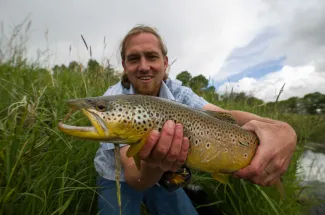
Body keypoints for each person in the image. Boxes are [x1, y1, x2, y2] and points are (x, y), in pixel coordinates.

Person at [94, 25, 297, 215]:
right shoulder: (113, 103)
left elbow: (226, 116)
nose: (144, 66)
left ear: (165, 63)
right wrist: (155, 165)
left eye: (151, 57)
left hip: (164, 175)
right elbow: (135, 177)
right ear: (124, 66)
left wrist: (281, 129)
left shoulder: (178, 92)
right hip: (116, 178)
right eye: (134, 59)